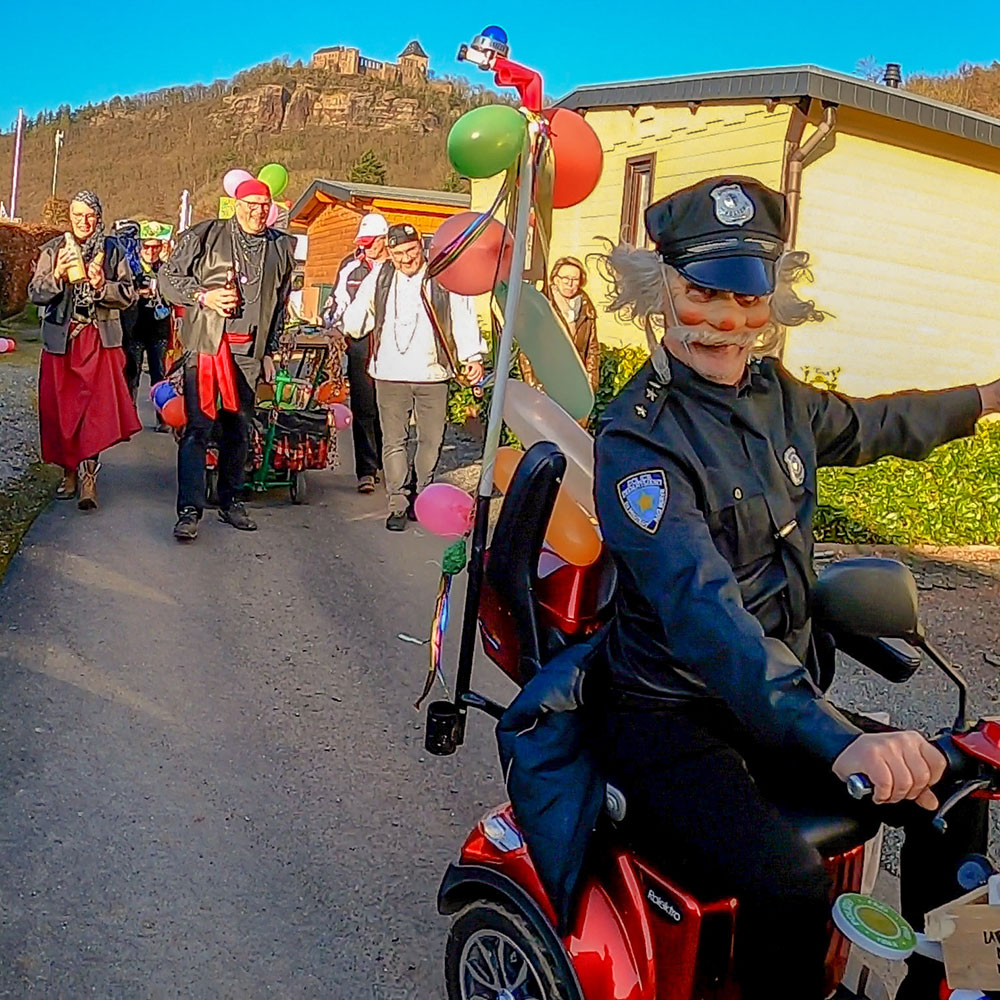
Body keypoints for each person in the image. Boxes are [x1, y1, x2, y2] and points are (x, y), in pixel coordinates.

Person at [591, 175, 1000, 1000]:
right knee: (788, 876)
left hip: (773, 704)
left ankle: (963, 982)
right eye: (705, 294)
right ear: (661, 290)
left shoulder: (777, 395)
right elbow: (710, 624)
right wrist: (838, 738)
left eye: (748, 299)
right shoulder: (638, 444)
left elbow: (879, 423)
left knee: (952, 798)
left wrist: (990, 398)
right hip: (672, 716)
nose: (728, 323)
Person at [160, 178, 295, 542]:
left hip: (249, 353)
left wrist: (272, 350)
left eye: (263, 205)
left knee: (239, 428)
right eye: (250, 204)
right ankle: (189, 511)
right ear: (236, 205)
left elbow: (281, 304)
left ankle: (231, 501)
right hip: (206, 345)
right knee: (198, 430)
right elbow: (167, 278)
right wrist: (203, 295)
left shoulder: (281, 246)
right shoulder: (207, 235)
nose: (257, 211)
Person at [342, 222, 485, 531]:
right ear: (389, 253)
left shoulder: (442, 276)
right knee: (394, 441)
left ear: (421, 245)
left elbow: (463, 316)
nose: (406, 259)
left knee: (431, 441)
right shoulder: (379, 276)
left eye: (411, 251)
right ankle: (398, 503)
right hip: (389, 374)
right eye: (398, 253)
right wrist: (349, 326)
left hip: (433, 373)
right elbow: (356, 319)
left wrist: (472, 356)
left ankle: (422, 493)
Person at [28, 190, 140, 511]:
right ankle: (68, 473)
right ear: (70, 218)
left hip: (97, 339)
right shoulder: (53, 250)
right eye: (77, 216)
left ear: (98, 217)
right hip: (62, 342)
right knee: (63, 412)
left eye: (90, 216)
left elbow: (128, 294)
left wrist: (101, 286)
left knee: (93, 412)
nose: (84, 222)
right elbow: (34, 292)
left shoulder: (112, 251)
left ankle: (89, 477)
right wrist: (58, 276)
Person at [325, 212, 390, 494]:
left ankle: (388, 462)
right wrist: (333, 326)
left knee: (389, 408)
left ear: (385, 240)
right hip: (360, 341)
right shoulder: (350, 267)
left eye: (371, 242)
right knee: (364, 406)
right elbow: (337, 302)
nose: (365, 248)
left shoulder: (399, 266)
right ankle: (366, 471)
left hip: (394, 343)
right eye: (362, 242)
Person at [520, 255, 600, 404]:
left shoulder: (586, 309)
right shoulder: (541, 306)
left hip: (576, 388)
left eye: (575, 280)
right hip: (545, 387)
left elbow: (592, 350)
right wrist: (533, 385)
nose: (570, 284)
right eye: (565, 278)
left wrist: (591, 384)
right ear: (556, 279)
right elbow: (527, 350)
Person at [127, 234, 172, 428]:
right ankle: (129, 421)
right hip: (135, 329)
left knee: (159, 375)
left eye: (156, 247)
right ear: (140, 248)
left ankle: (163, 418)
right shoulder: (131, 267)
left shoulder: (167, 268)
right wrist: (137, 294)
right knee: (131, 374)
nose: (151, 251)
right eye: (147, 247)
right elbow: (122, 293)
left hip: (159, 330)